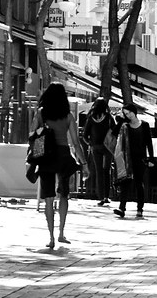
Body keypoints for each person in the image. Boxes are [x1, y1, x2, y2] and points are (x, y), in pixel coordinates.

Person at [30, 82, 88, 249]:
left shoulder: (41, 113)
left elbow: (32, 135)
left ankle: (51, 237)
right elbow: (76, 143)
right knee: (63, 195)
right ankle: (61, 233)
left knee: (48, 198)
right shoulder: (68, 116)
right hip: (63, 156)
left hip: (46, 156)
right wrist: (84, 163)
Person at [112, 103, 154, 219]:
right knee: (125, 183)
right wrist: (120, 121)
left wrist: (151, 158)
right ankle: (122, 208)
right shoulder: (124, 125)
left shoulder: (144, 125)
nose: (128, 115)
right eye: (125, 114)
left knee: (139, 183)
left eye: (129, 112)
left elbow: (148, 142)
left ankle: (140, 209)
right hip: (126, 159)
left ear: (134, 111)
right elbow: (114, 134)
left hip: (140, 158)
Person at [80, 96, 115, 206]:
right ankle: (106, 196)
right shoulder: (109, 117)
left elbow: (85, 135)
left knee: (98, 171)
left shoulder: (91, 118)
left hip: (96, 148)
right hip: (108, 148)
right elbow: (114, 131)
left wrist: (91, 144)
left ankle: (100, 197)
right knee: (107, 171)